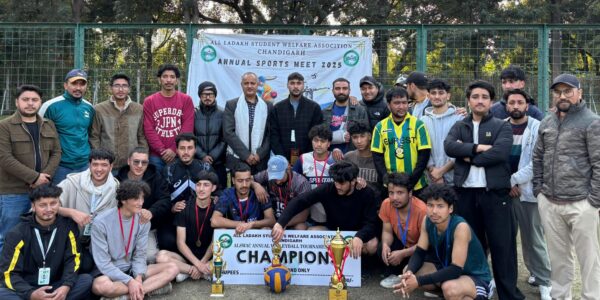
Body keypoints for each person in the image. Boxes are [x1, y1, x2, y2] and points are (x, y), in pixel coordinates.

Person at [444, 80, 524, 299]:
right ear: (469, 100)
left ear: (491, 101)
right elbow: (449, 147)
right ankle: (479, 290)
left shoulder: (502, 125)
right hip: (466, 195)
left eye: (485, 97)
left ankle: (509, 294)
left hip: (495, 195)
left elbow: (500, 153)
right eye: (475, 97)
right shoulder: (459, 125)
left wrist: (468, 157)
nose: (480, 101)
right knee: (471, 246)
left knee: (503, 248)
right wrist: (477, 149)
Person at [533, 73, 600, 299]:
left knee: (589, 259)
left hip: (582, 203)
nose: (562, 96)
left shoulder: (592, 122)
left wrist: (593, 201)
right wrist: (538, 191)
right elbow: (537, 157)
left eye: (568, 91)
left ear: (579, 93)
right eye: (558, 92)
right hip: (550, 202)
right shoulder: (548, 121)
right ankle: (560, 297)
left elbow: (599, 163)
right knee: (558, 259)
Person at [393, 184, 493, 299]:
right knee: (408, 271)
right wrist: (409, 273)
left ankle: (475, 293)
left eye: (440, 206)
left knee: (449, 288)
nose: (434, 211)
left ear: (450, 208)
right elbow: (420, 253)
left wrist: (418, 281)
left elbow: (455, 269)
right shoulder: (427, 220)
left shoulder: (460, 227)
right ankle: (449, 294)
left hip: (475, 277)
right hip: (448, 269)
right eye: (430, 205)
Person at [0, 184, 92, 300]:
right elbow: (8, 273)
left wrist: (65, 286)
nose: (49, 209)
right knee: (2, 294)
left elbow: (73, 259)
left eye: (53, 203)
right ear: (33, 206)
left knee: (85, 280)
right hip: (28, 288)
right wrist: (31, 294)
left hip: (56, 286)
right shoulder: (18, 233)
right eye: (43, 205)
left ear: (59, 204)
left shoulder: (68, 227)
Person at [91, 180, 178, 300]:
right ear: (123, 200)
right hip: (110, 272)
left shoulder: (143, 220)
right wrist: (129, 281)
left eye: (142, 198)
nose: (141, 203)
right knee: (100, 286)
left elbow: (140, 254)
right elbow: (103, 263)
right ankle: (149, 289)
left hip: (133, 268)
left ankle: (126, 296)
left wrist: (137, 277)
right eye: (136, 199)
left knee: (173, 268)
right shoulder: (101, 222)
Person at [272, 161, 379, 258]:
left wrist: (359, 236)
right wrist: (281, 223)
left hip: (357, 233)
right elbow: (301, 200)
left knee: (372, 244)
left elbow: (371, 223)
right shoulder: (328, 188)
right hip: (333, 231)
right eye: (336, 182)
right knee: (311, 233)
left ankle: (361, 268)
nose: (337, 186)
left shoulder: (366, 193)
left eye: (341, 183)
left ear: (353, 181)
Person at [0, 85, 61, 252]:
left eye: (34, 100)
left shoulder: (49, 125)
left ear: (40, 102)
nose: (30, 103)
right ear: (17, 102)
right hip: (14, 192)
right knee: (8, 235)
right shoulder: (4, 126)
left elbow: (56, 152)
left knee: (37, 236)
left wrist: (44, 178)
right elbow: (5, 158)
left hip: (43, 190)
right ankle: (4, 275)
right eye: (25, 100)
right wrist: (34, 178)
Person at [504, 89, 551, 299]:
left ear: (527, 105)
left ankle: (544, 281)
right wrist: (507, 183)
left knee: (534, 238)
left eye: (519, 102)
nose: (515, 106)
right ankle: (503, 278)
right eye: (511, 102)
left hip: (528, 190)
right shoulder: (500, 126)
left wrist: (514, 180)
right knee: (504, 238)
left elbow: (537, 161)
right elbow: (495, 158)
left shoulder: (537, 126)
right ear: (506, 105)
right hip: (504, 191)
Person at [57, 148, 120, 274]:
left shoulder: (117, 189)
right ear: (89, 165)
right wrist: (71, 212)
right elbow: (48, 207)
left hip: (97, 242)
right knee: (84, 265)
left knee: (93, 265)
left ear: (111, 166)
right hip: (70, 239)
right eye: (95, 164)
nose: (99, 169)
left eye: (104, 165)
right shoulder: (72, 183)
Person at [155, 171, 218, 283]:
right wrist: (197, 265)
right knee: (161, 256)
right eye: (198, 185)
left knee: (226, 263)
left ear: (213, 188)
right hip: (187, 258)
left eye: (206, 185)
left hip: (209, 258)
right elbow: (180, 243)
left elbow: (216, 241)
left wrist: (203, 262)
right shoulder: (184, 207)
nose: (201, 189)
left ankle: (186, 273)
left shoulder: (218, 209)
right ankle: (195, 272)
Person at [371, 87, 431, 198]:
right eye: (397, 103)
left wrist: (412, 181)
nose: (402, 107)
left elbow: (424, 156)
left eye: (404, 103)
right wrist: (387, 180)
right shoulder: (380, 127)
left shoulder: (418, 125)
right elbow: (377, 157)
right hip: (390, 187)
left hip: (416, 185)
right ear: (389, 105)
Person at [115, 147, 171, 263]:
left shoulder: (156, 177)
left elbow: (165, 199)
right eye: (136, 161)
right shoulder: (117, 180)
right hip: (122, 227)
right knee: (120, 257)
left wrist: (151, 211)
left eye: (144, 162)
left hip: (147, 226)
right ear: (129, 161)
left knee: (150, 257)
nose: (140, 165)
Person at [39, 69, 94, 184]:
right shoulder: (50, 106)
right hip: (60, 166)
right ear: (65, 85)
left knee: (82, 200)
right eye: (74, 83)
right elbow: (38, 134)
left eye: (82, 84)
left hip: (84, 165)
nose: (78, 88)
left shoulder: (89, 107)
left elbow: (89, 133)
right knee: (60, 200)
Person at [160, 133, 212, 253]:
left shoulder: (206, 167)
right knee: (167, 241)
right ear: (177, 150)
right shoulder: (168, 170)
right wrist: (172, 207)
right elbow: (162, 197)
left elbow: (218, 192)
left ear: (195, 149)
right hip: (175, 218)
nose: (186, 152)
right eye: (182, 148)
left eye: (189, 148)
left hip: (201, 218)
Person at [378, 173, 427, 289]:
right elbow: (387, 232)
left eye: (400, 193)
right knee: (382, 247)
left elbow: (425, 244)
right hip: (403, 244)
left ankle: (407, 273)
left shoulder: (422, 210)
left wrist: (403, 253)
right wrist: (385, 245)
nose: (394, 198)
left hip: (421, 250)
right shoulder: (386, 203)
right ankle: (394, 273)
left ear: (410, 193)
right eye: (391, 193)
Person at [143, 64, 194, 173]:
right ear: (159, 80)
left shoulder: (186, 100)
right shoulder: (149, 101)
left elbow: (187, 127)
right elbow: (148, 129)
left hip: (178, 153)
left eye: (172, 77)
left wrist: (173, 149)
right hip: (156, 155)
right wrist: (161, 150)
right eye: (165, 76)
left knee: (178, 187)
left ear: (177, 80)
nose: (168, 80)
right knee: (156, 187)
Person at [90, 73, 147, 172]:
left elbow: (141, 136)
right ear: (110, 88)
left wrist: (142, 157)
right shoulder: (100, 109)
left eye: (124, 86)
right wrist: (100, 158)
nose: (121, 89)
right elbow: (94, 136)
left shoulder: (138, 109)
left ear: (129, 89)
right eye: (117, 86)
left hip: (131, 165)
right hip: (107, 164)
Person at [223, 72, 273, 174]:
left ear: (257, 84)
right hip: (238, 159)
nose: (249, 86)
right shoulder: (232, 105)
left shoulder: (268, 106)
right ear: (241, 85)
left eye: (252, 83)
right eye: (246, 83)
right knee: (239, 189)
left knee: (260, 189)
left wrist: (259, 154)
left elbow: (270, 134)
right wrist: (246, 155)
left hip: (260, 160)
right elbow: (228, 132)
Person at [270, 72, 323, 165]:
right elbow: (273, 136)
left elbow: (316, 135)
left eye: (299, 83)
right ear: (287, 85)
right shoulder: (277, 108)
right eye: (292, 83)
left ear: (303, 85)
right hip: (282, 159)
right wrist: (282, 158)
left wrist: (307, 157)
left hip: (308, 158)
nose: (295, 86)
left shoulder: (314, 108)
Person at [211, 163, 275, 235]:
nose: (244, 185)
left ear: (251, 179)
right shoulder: (227, 194)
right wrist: (240, 224)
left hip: (256, 235)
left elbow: (271, 221)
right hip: (235, 234)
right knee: (220, 230)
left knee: (266, 229)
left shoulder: (260, 192)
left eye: (247, 180)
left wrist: (252, 224)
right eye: (240, 181)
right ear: (233, 180)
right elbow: (214, 220)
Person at [420, 79, 463, 186]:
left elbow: (461, 148)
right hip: (432, 179)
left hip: (456, 180)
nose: (437, 96)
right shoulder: (422, 121)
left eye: (441, 93)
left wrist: (442, 171)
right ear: (428, 96)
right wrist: (432, 170)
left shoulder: (460, 118)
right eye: (433, 93)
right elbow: (423, 149)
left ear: (448, 96)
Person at [292, 124, 336, 227]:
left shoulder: (336, 159)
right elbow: (293, 182)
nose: (319, 144)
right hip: (308, 206)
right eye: (316, 140)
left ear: (329, 143)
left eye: (323, 141)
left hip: (331, 206)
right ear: (311, 141)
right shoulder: (303, 159)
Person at [253, 155, 311, 229]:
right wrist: (256, 186)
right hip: (272, 219)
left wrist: (282, 223)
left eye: (279, 175)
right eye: (273, 176)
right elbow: (249, 179)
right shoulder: (266, 174)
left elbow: (304, 215)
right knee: (265, 229)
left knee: (300, 227)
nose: (277, 180)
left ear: (288, 169)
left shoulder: (301, 183)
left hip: (292, 220)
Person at [322, 77, 368, 160]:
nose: (341, 91)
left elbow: (366, 135)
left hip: (353, 157)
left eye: (344, 88)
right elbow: (320, 136)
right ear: (332, 91)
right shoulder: (324, 112)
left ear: (349, 91)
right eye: (337, 88)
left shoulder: (359, 110)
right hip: (329, 157)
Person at [194, 81, 227, 190]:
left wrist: (212, 156)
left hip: (218, 162)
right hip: (198, 162)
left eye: (210, 94)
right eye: (204, 94)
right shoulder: (194, 113)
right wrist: (202, 155)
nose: (207, 97)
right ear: (200, 96)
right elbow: (191, 137)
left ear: (215, 96)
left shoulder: (223, 113)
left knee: (219, 192)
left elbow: (225, 138)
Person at [344, 120, 382, 202]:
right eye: (355, 137)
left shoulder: (380, 158)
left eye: (362, 136)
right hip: (354, 204)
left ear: (370, 136)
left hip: (376, 204)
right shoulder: (348, 157)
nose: (359, 141)